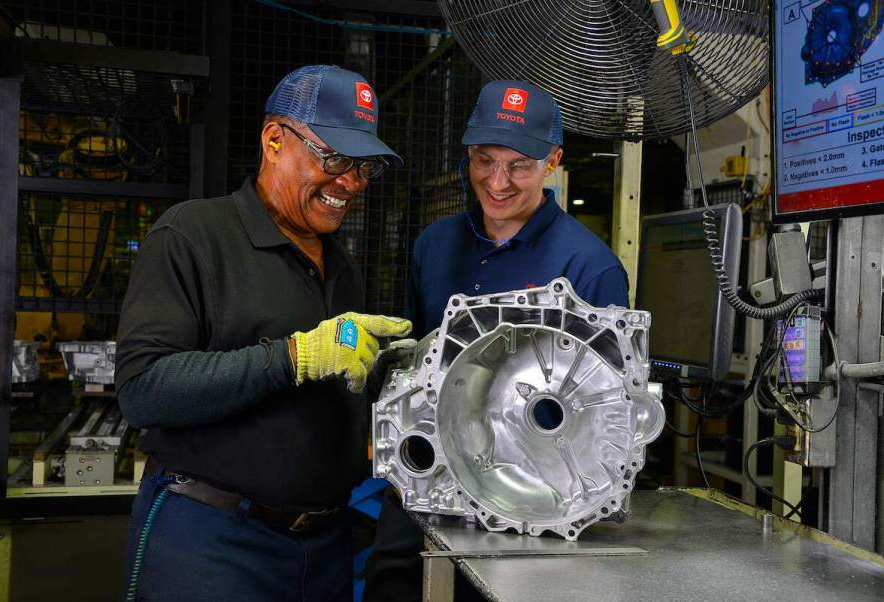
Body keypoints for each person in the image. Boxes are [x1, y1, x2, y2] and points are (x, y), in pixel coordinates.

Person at [116, 65, 411, 602]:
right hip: (213, 542)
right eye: (335, 159)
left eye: (364, 167)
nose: (350, 182)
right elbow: (144, 389)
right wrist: (294, 356)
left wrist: (389, 376)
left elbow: (328, 389)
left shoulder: (341, 264)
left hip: (323, 548)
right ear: (274, 140)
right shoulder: (192, 236)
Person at [362, 80, 629, 601]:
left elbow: (607, 422)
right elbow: (415, 372)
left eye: (519, 165)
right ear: (468, 155)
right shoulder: (433, 247)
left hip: (526, 520)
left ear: (552, 160)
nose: (498, 181)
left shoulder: (589, 268)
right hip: (423, 499)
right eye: (485, 160)